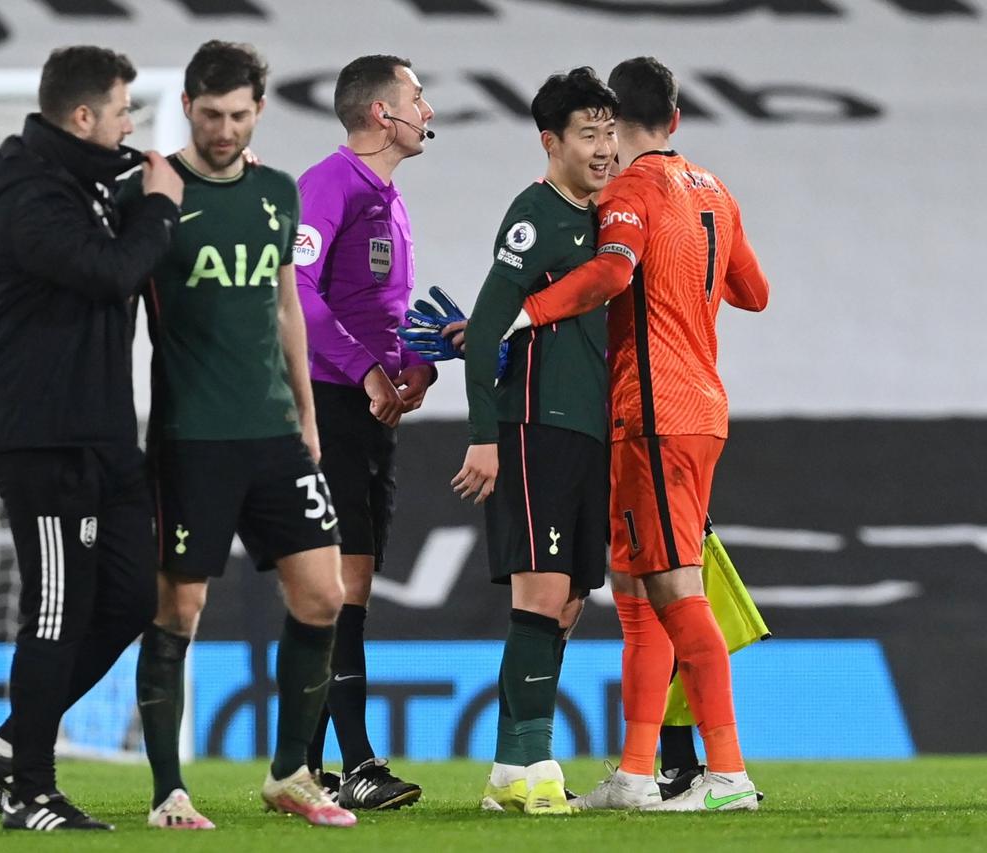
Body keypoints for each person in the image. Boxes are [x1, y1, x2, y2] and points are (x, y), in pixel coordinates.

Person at [507, 56, 770, 812]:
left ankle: (727, 773)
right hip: (699, 407)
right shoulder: (714, 189)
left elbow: (614, 274)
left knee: (675, 588)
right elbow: (754, 291)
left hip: (653, 411)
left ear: (614, 124)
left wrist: (523, 314)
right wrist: (692, 276)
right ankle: (635, 770)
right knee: (635, 589)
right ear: (678, 120)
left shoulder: (631, 189)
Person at [121, 40, 354, 830]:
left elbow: (286, 304)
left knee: (325, 594)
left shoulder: (278, 193)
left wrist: (309, 412)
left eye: (240, 114)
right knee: (181, 607)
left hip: (275, 432)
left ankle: (291, 772)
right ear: (187, 106)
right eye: (212, 113)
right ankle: (166, 791)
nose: (225, 128)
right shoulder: (155, 189)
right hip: (192, 438)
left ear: (258, 110)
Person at [0, 45, 184, 831]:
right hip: (45, 438)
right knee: (54, 612)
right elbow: (112, 271)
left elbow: (119, 212)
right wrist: (158, 204)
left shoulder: (80, 182)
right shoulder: (28, 196)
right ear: (84, 117)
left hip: (102, 432)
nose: (131, 125)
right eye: (123, 111)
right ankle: (31, 787)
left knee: (128, 598)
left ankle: (12, 746)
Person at [448, 68, 618, 816]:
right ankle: (534, 762)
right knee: (542, 593)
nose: (605, 147)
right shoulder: (535, 216)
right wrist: (484, 437)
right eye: (589, 134)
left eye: (609, 132)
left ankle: (508, 772)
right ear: (551, 142)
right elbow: (485, 330)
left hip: (588, 428)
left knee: (574, 598)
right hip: (533, 425)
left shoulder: (605, 218)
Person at [293, 54, 434, 812]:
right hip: (327, 404)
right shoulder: (330, 183)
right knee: (341, 583)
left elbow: (384, 308)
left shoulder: (390, 197)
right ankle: (357, 761)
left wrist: (417, 360)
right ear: (382, 112)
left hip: (369, 407)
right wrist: (365, 370)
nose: (429, 109)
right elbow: (298, 290)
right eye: (417, 96)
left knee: (351, 585)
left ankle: (305, 765)